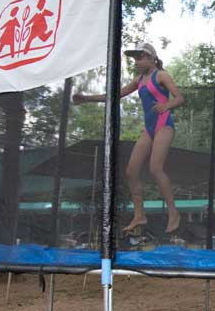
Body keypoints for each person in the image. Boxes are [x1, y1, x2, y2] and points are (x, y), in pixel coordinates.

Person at [73, 42, 184, 234]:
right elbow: (116, 94)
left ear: (152, 58)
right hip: (149, 129)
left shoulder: (161, 75)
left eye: (140, 57)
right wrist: (87, 98)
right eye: (134, 58)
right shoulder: (139, 80)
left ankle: (173, 212)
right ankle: (140, 215)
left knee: (155, 168)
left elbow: (180, 98)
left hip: (164, 126)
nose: (136, 62)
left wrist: (167, 105)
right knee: (132, 170)